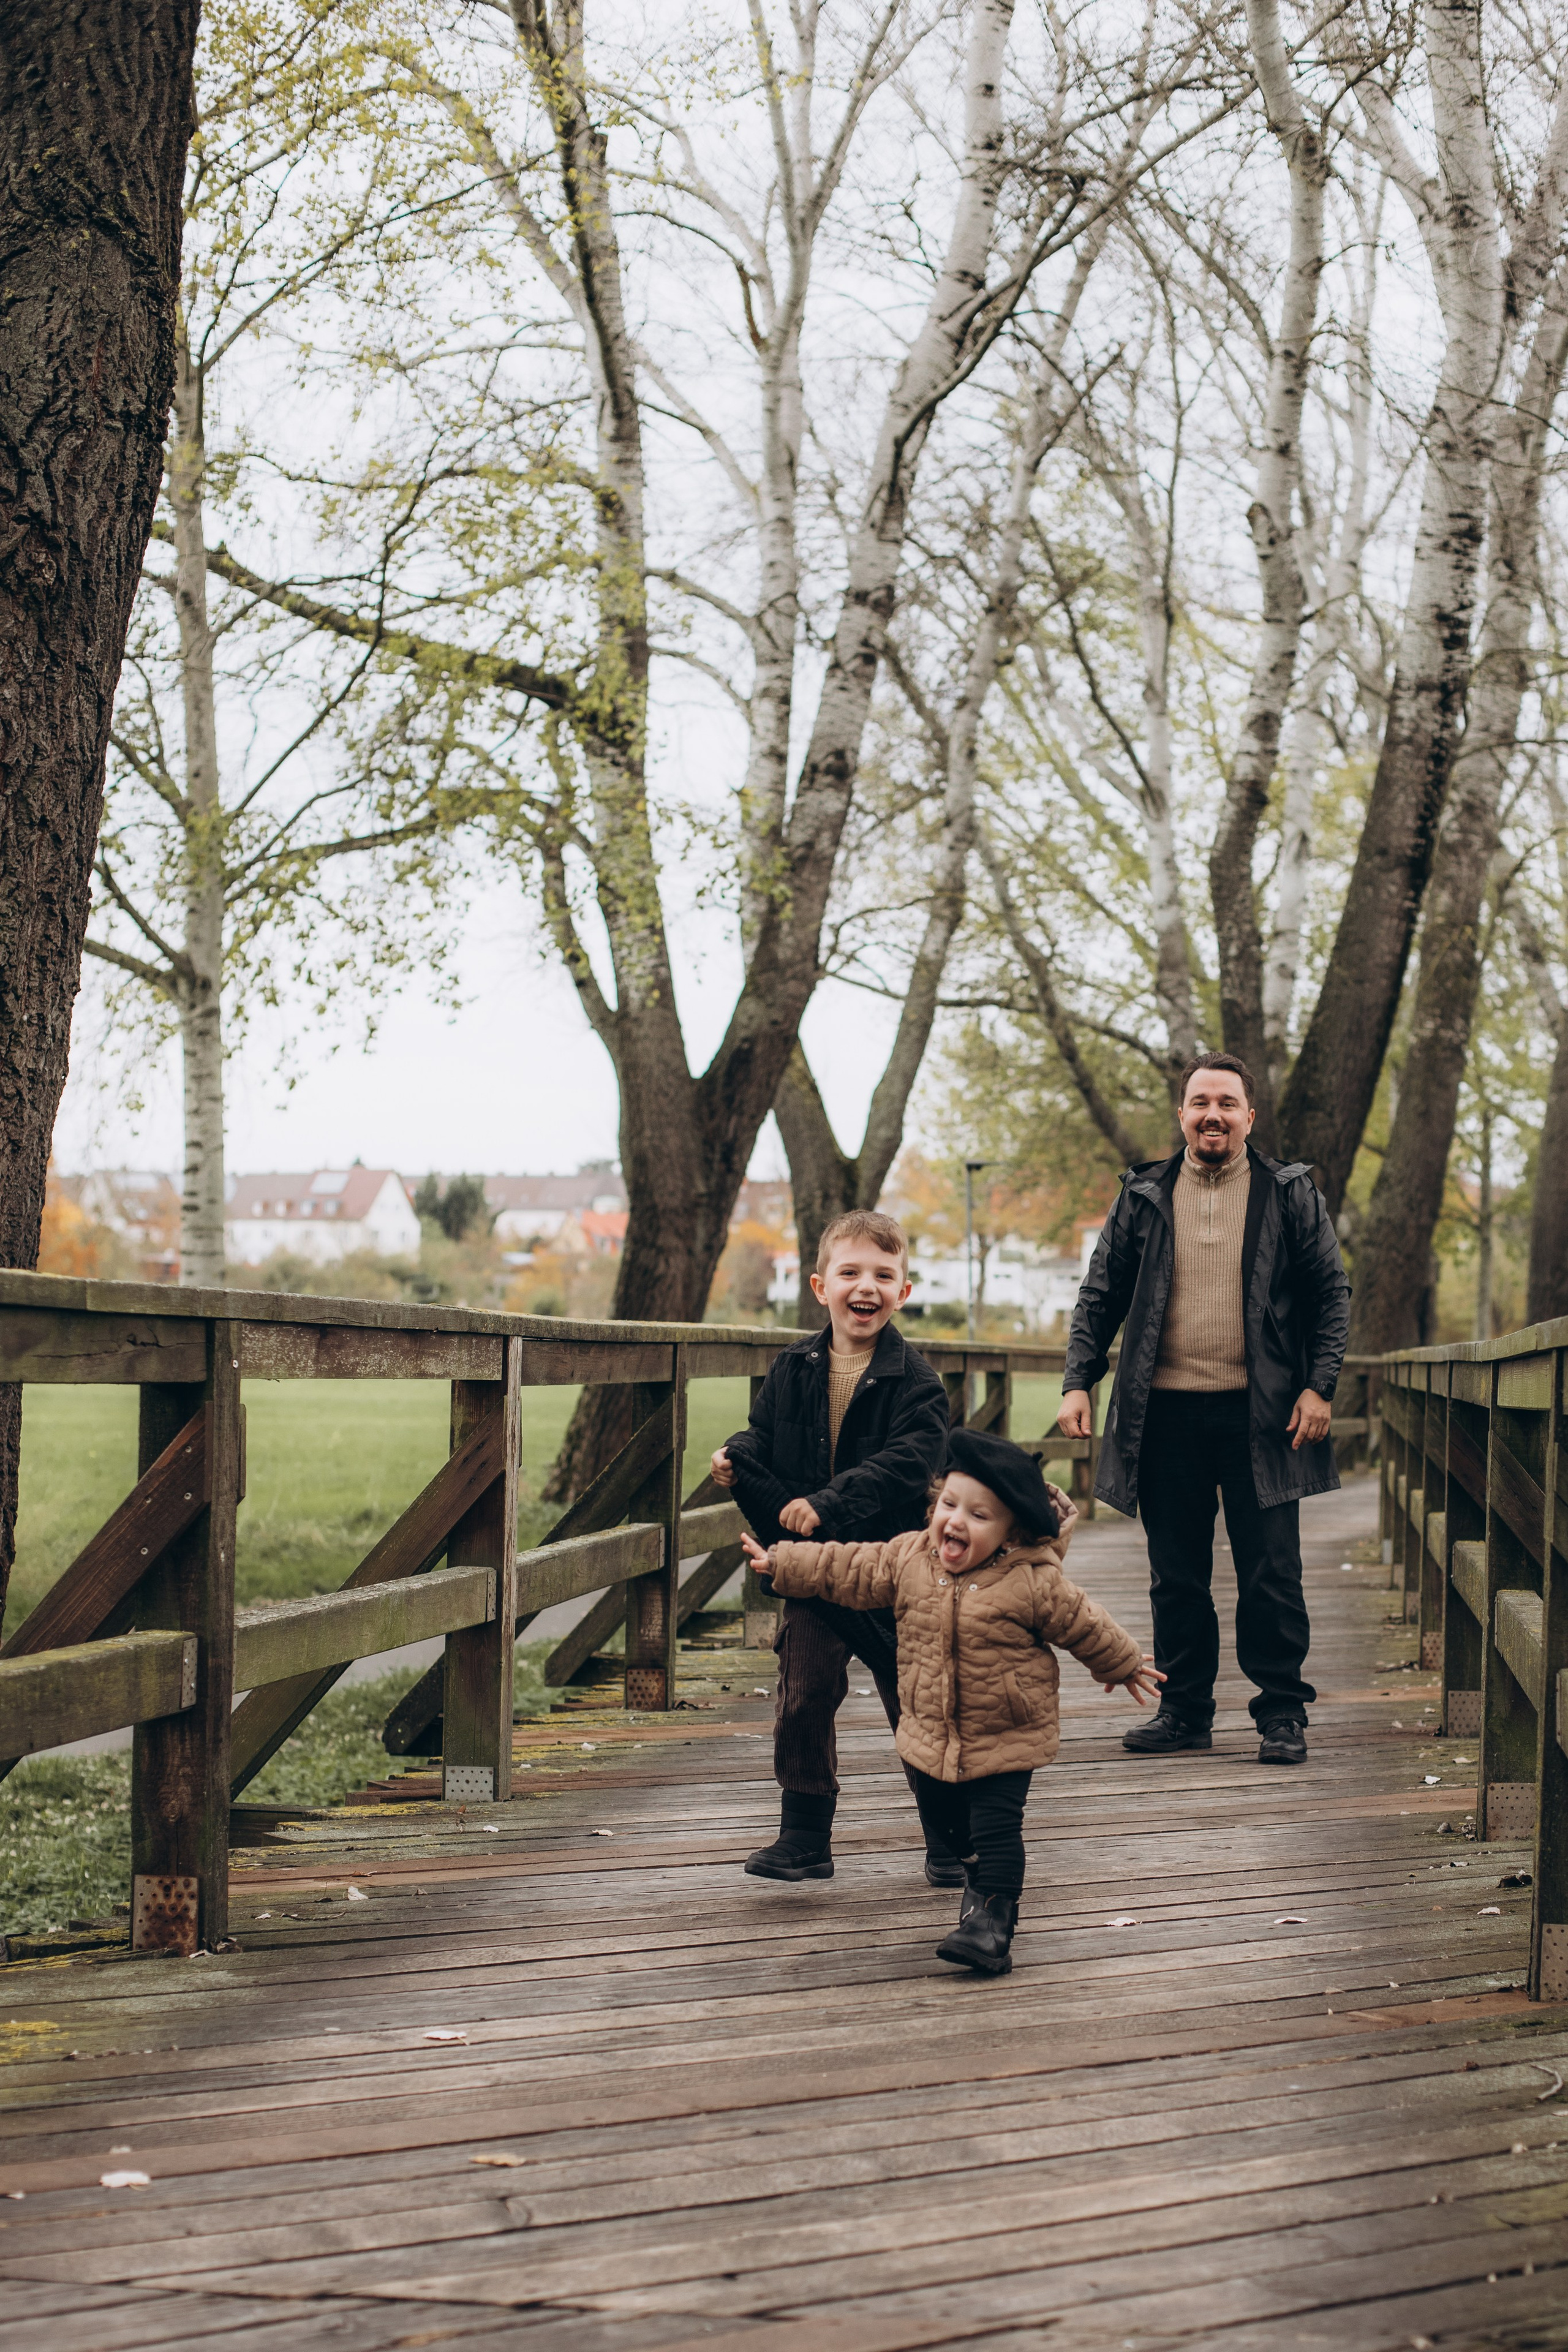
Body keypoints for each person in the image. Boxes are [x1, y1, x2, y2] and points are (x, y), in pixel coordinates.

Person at [740, 1426, 1160, 1973]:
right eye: (949, 1504)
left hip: (1008, 1733)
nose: (956, 1521)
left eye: (979, 1515)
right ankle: (976, 1872)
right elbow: (849, 1567)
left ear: (1011, 1533)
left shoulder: (1033, 1581)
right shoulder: (911, 1558)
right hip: (930, 1731)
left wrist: (1122, 1662)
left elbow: (1084, 1623)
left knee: (997, 1827)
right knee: (942, 1820)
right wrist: (784, 1564)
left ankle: (992, 1921)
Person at [1058, 1051, 1351, 1766]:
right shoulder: (1143, 1195)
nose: (1211, 1115)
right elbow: (1099, 1295)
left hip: (1265, 1416)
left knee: (1270, 1572)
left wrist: (1319, 1386)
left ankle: (1281, 1714)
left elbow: (1330, 1294)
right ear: (1182, 1114)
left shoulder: (1288, 1194)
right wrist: (1077, 1380)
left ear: (1248, 1116)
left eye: (1225, 1103)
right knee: (1176, 1575)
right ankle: (1184, 1712)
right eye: (1199, 1103)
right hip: (1164, 1416)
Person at [710, 1209, 953, 1885]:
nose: (865, 1287)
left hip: (893, 1569)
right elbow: (766, 1433)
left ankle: (948, 1835)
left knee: (914, 1700)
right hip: (814, 1570)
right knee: (805, 1690)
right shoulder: (792, 1367)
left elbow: (910, 1464)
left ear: (903, 1292)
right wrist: (738, 1454)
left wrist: (828, 1502)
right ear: (821, 1287)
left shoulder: (918, 1384)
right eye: (850, 1273)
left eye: (883, 1275)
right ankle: (804, 1834)